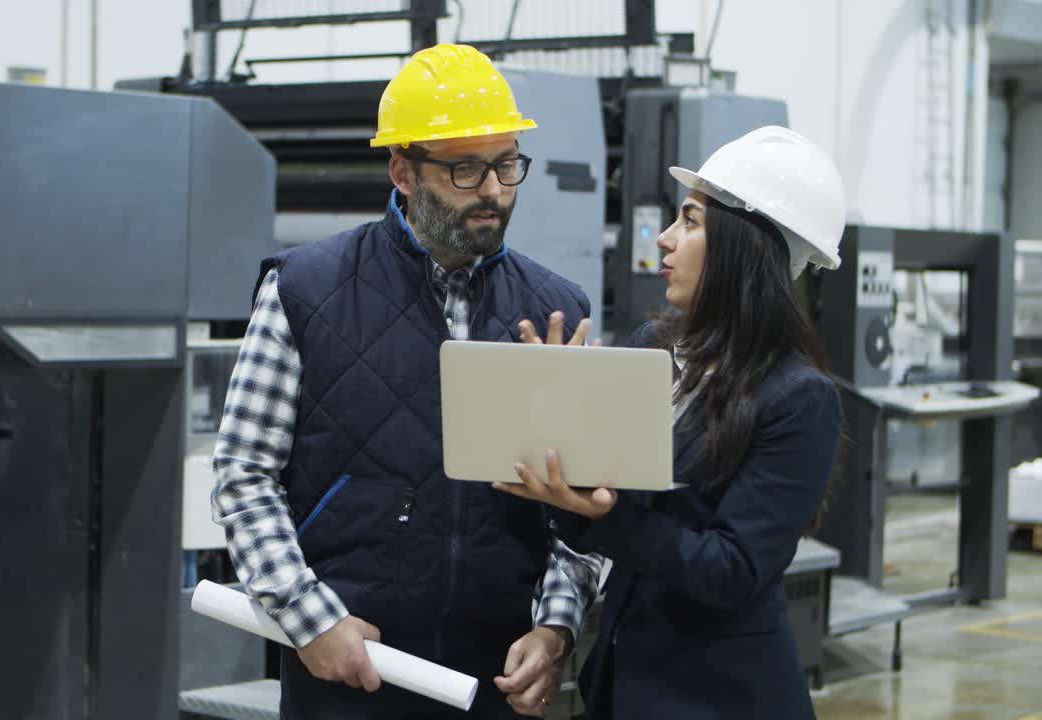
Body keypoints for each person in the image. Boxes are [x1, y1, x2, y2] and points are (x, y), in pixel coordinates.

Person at [211, 43, 602, 719]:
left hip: (494, 681)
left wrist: (557, 626)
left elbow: (585, 508)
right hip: (350, 667)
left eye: (507, 164)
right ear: (402, 169)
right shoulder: (305, 292)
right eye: (465, 168)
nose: (491, 190)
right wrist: (310, 621)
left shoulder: (555, 308)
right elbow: (243, 475)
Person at [497, 126, 847, 719]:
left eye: (689, 221)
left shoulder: (799, 398)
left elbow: (732, 571)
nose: (663, 239)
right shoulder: (654, 350)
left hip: (718, 695)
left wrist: (610, 514)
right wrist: (563, 444)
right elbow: (606, 518)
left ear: (744, 246)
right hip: (624, 678)